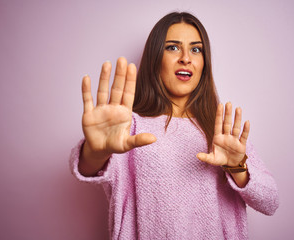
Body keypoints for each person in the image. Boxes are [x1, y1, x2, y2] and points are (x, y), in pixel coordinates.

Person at [70, 11, 279, 239]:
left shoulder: (220, 132)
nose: (186, 58)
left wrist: (237, 167)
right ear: (154, 58)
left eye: (196, 49)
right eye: (173, 47)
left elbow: (270, 202)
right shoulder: (128, 129)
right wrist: (95, 151)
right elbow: (86, 167)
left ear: (204, 64)